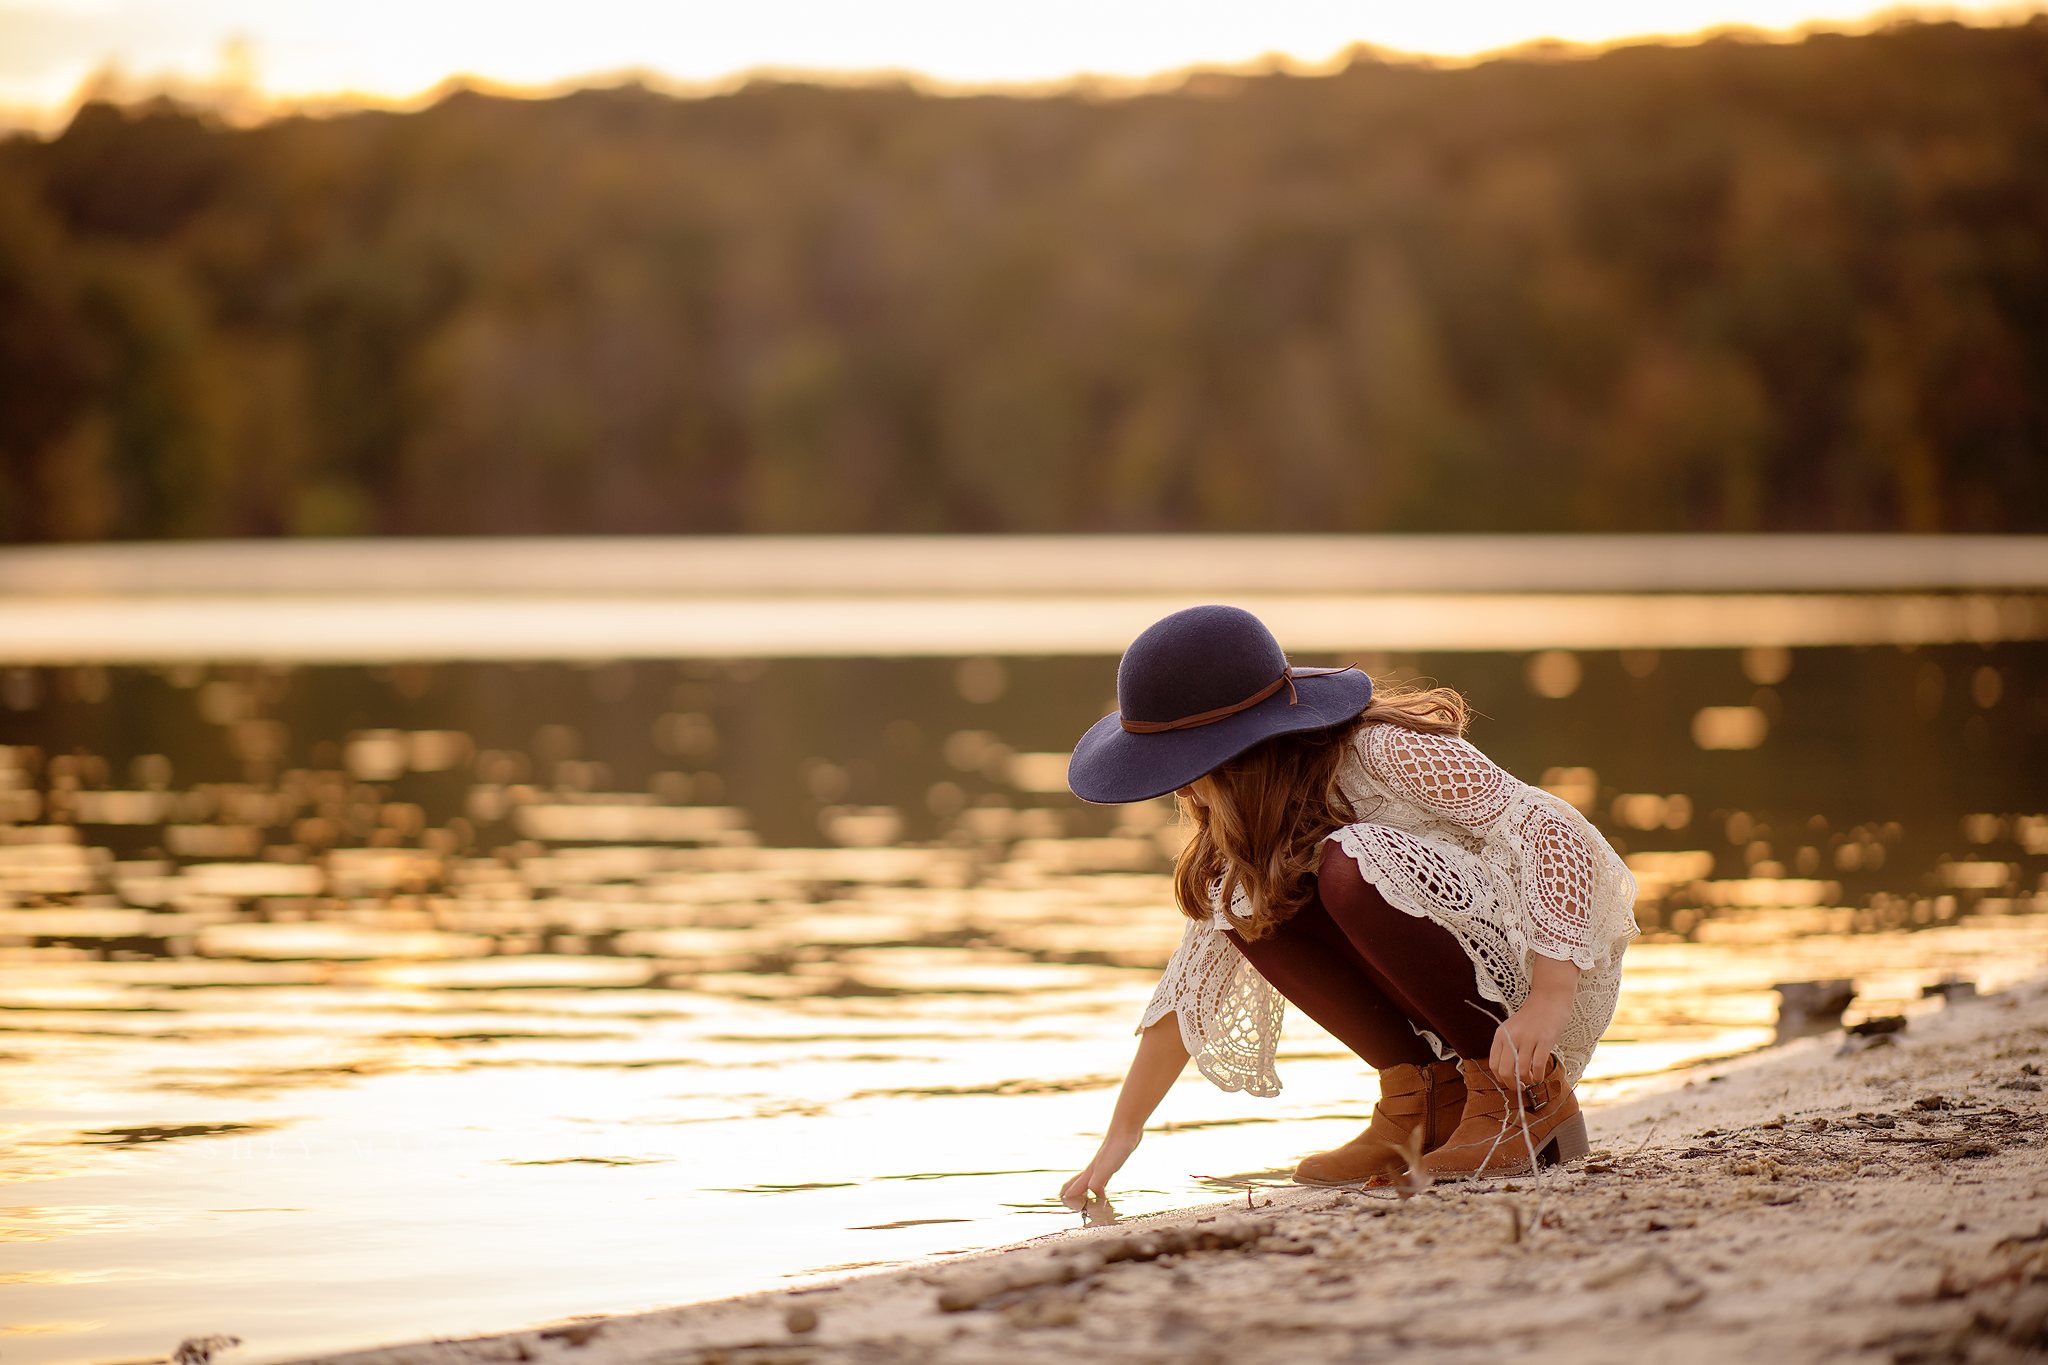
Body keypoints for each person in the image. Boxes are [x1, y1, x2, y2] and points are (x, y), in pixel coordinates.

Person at [1058, 605, 1636, 1206]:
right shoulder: (1254, 818)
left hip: (1537, 972)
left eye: (1182, 767)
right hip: (1471, 981)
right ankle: (1424, 1103)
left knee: (1350, 862)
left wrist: (1548, 999)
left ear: (1239, 751)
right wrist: (1122, 1133)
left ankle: (1524, 1103)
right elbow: (1191, 986)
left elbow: (1552, 830)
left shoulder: (1382, 751)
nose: (1178, 788)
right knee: (1236, 899)